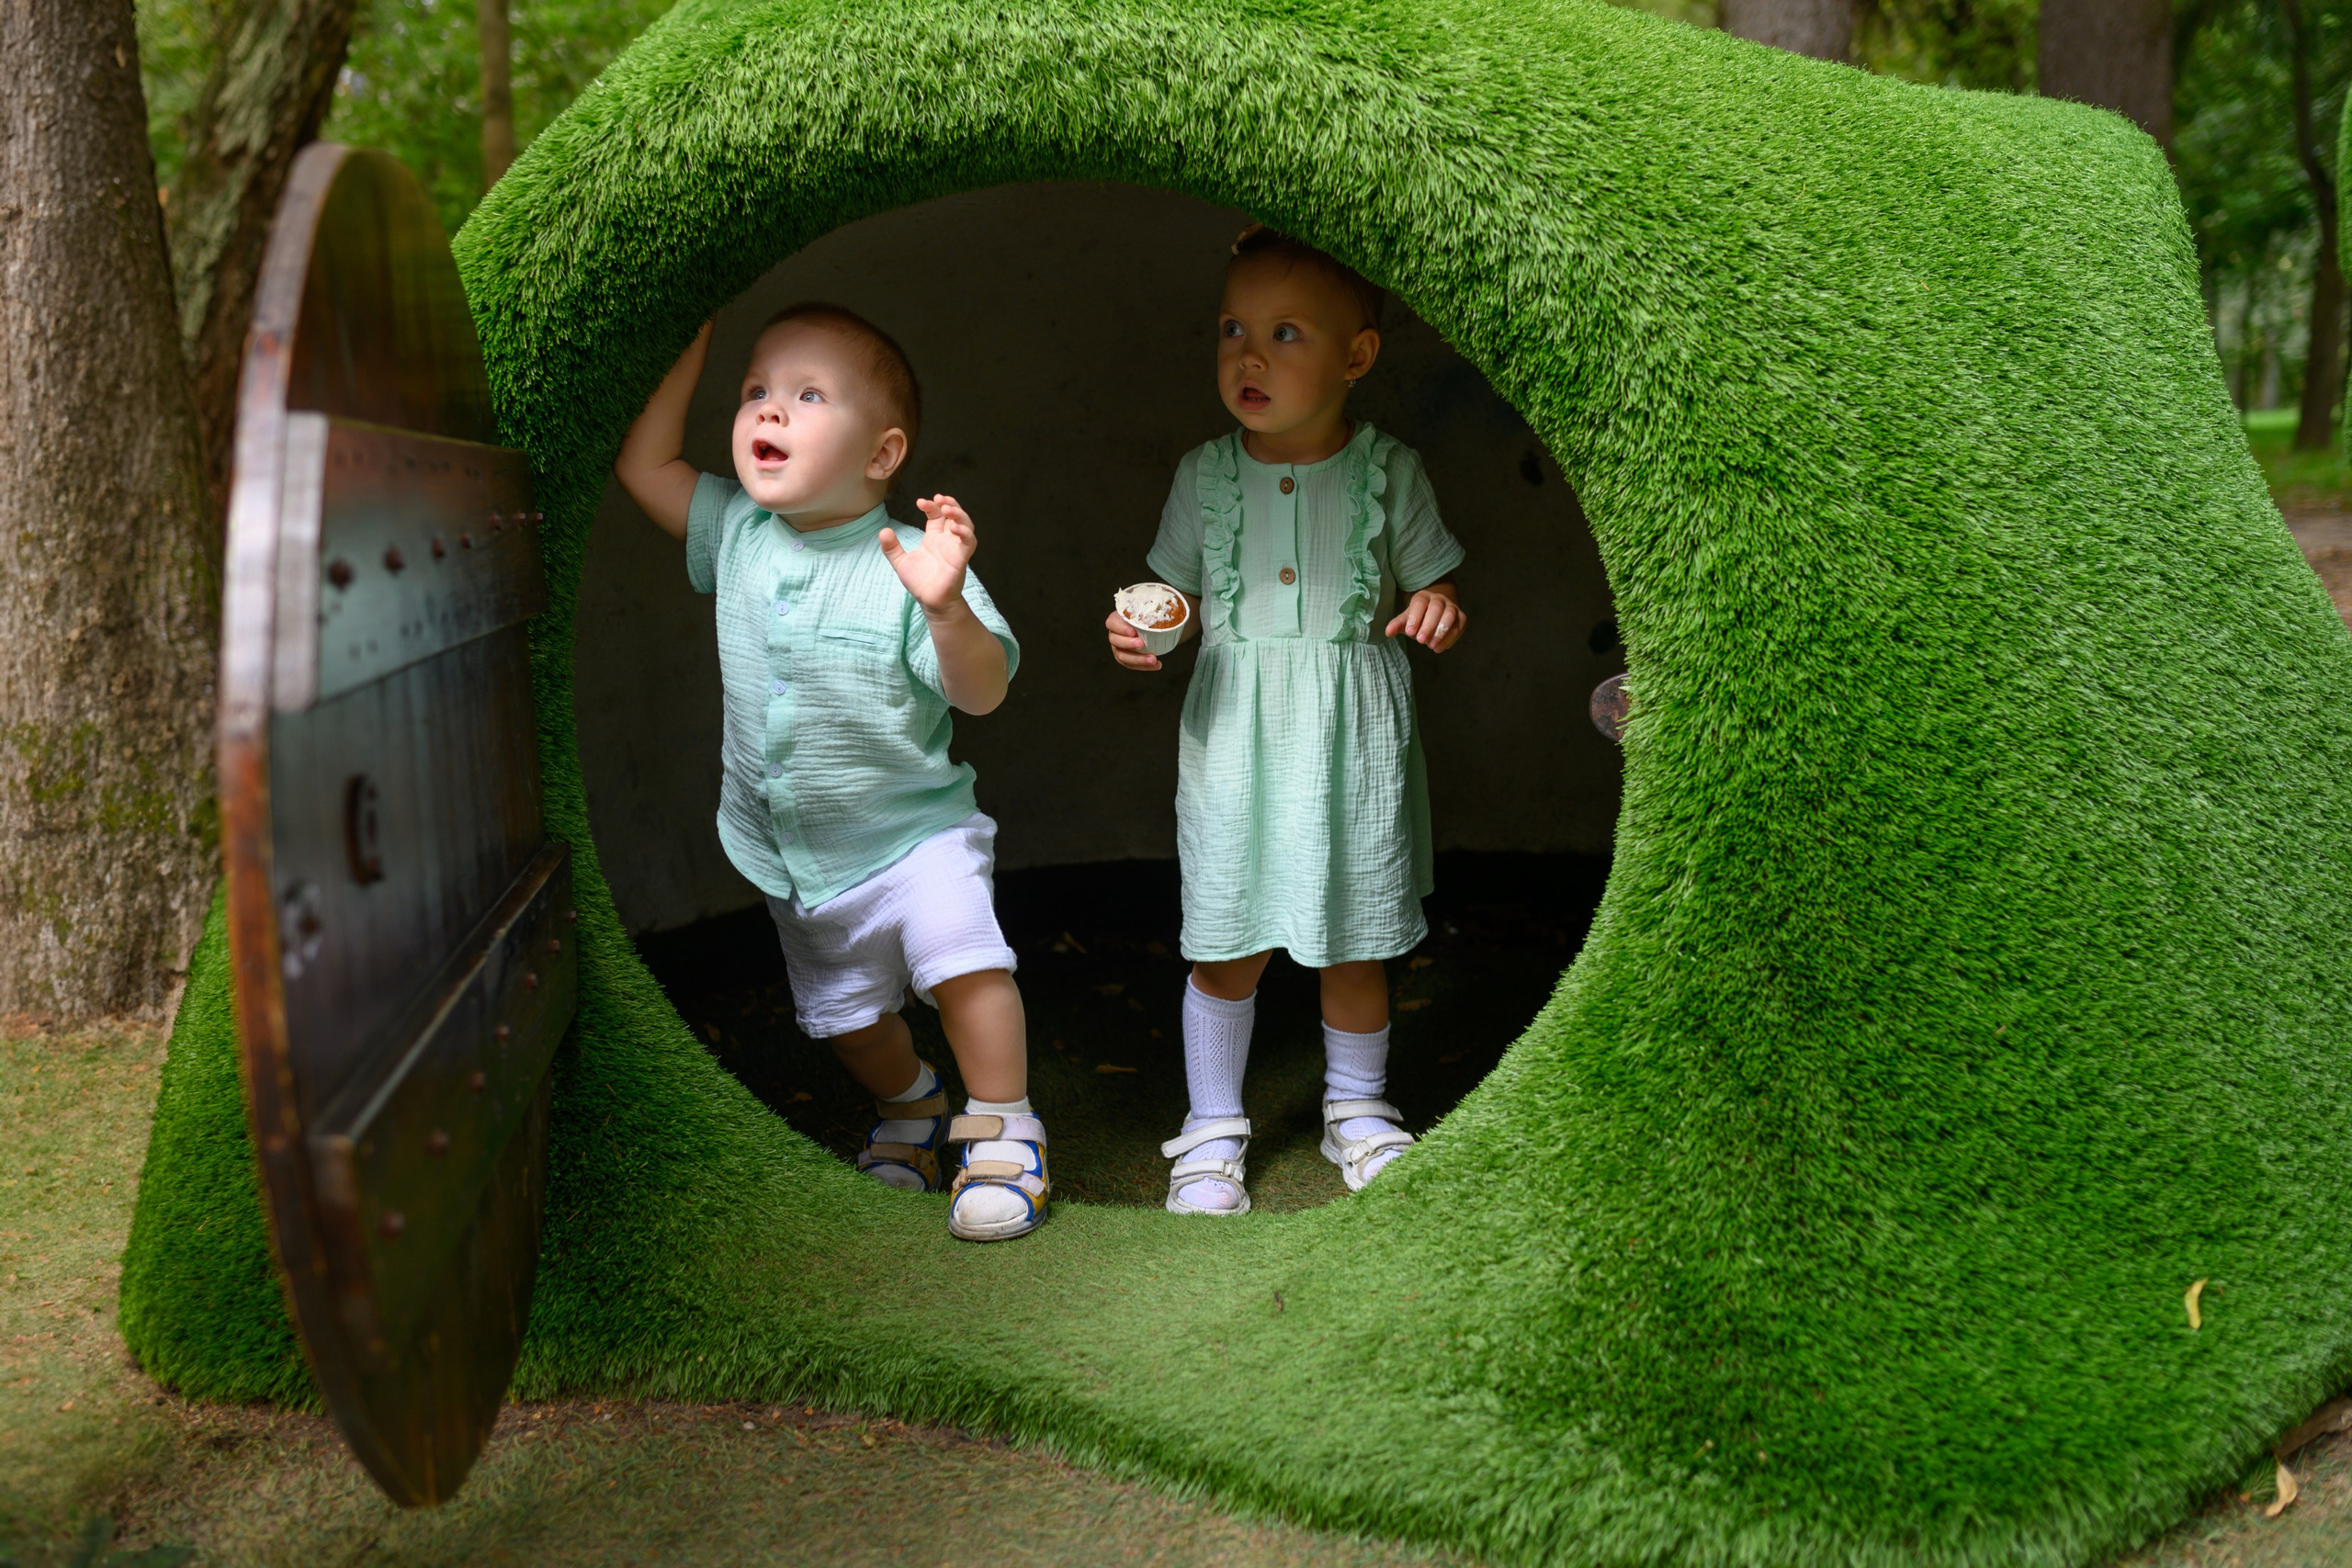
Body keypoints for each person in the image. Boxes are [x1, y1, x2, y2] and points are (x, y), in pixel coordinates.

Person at [616, 304, 1046, 1242]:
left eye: (807, 396)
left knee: (967, 972)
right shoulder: (734, 530)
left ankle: (1003, 1129)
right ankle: (913, 1107)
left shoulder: (918, 563)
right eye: (755, 392)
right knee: (848, 1021)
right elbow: (641, 467)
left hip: (917, 836)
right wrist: (684, 345)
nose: (768, 412)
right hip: (798, 859)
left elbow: (981, 694)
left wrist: (946, 611)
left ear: (882, 455)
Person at [1105, 227, 1468, 1215]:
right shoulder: (1201, 474)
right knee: (1225, 936)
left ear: (1356, 358)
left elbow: (1434, 581)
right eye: (1231, 329)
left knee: (1353, 934)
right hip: (1234, 739)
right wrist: (1148, 627)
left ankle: (1357, 1108)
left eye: (1283, 333)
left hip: (1350, 739)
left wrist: (1435, 605)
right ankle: (1212, 1132)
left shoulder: (1389, 471)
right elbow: (1172, 594)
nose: (1248, 356)